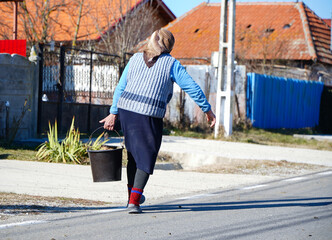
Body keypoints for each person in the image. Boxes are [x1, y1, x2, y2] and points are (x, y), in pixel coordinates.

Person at [100, 29, 216, 214]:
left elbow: (121, 87)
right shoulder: (171, 64)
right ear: (169, 45)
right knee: (147, 156)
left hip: (127, 111)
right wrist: (207, 109)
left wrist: (114, 112)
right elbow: (191, 86)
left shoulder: (135, 59)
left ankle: (132, 196)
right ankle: (134, 202)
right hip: (149, 114)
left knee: (134, 156)